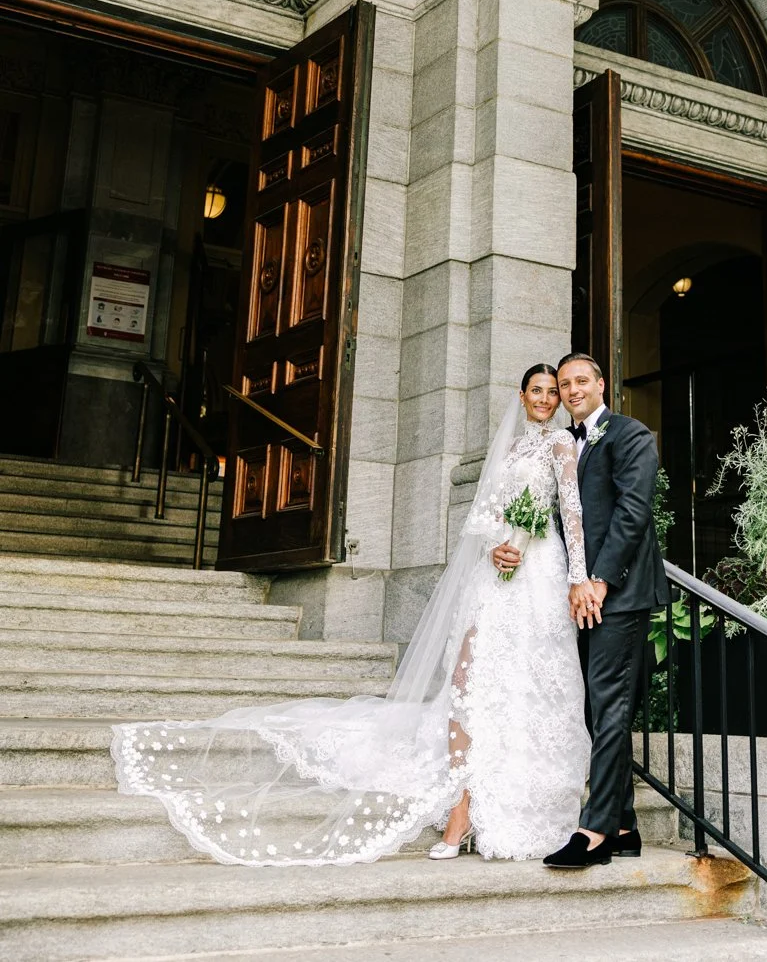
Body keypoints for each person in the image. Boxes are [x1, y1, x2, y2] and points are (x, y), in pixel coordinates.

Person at [110, 363, 591, 865]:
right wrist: (496, 546)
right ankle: (461, 801)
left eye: (551, 392)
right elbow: (486, 513)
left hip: (539, 572)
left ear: (559, 400)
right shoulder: (509, 449)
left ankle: (501, 801)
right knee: (467, 680)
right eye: (535, 390)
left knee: (527, 684)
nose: (544, 398)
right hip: (496, 574)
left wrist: (577, 578)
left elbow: (572, 515)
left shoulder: (561, 445)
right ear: (521, 395)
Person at [543, 351, 669, 870]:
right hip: (577, 594)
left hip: (619, 593)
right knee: (596, 708)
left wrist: (599, 579)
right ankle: (623, 826)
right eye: (563, 384)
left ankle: (592, 832)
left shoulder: (630, 435)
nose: (571, 390)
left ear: (600, 384)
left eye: (580, 381)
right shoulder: (561, 444)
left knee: (610, 704)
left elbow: (633, 511)